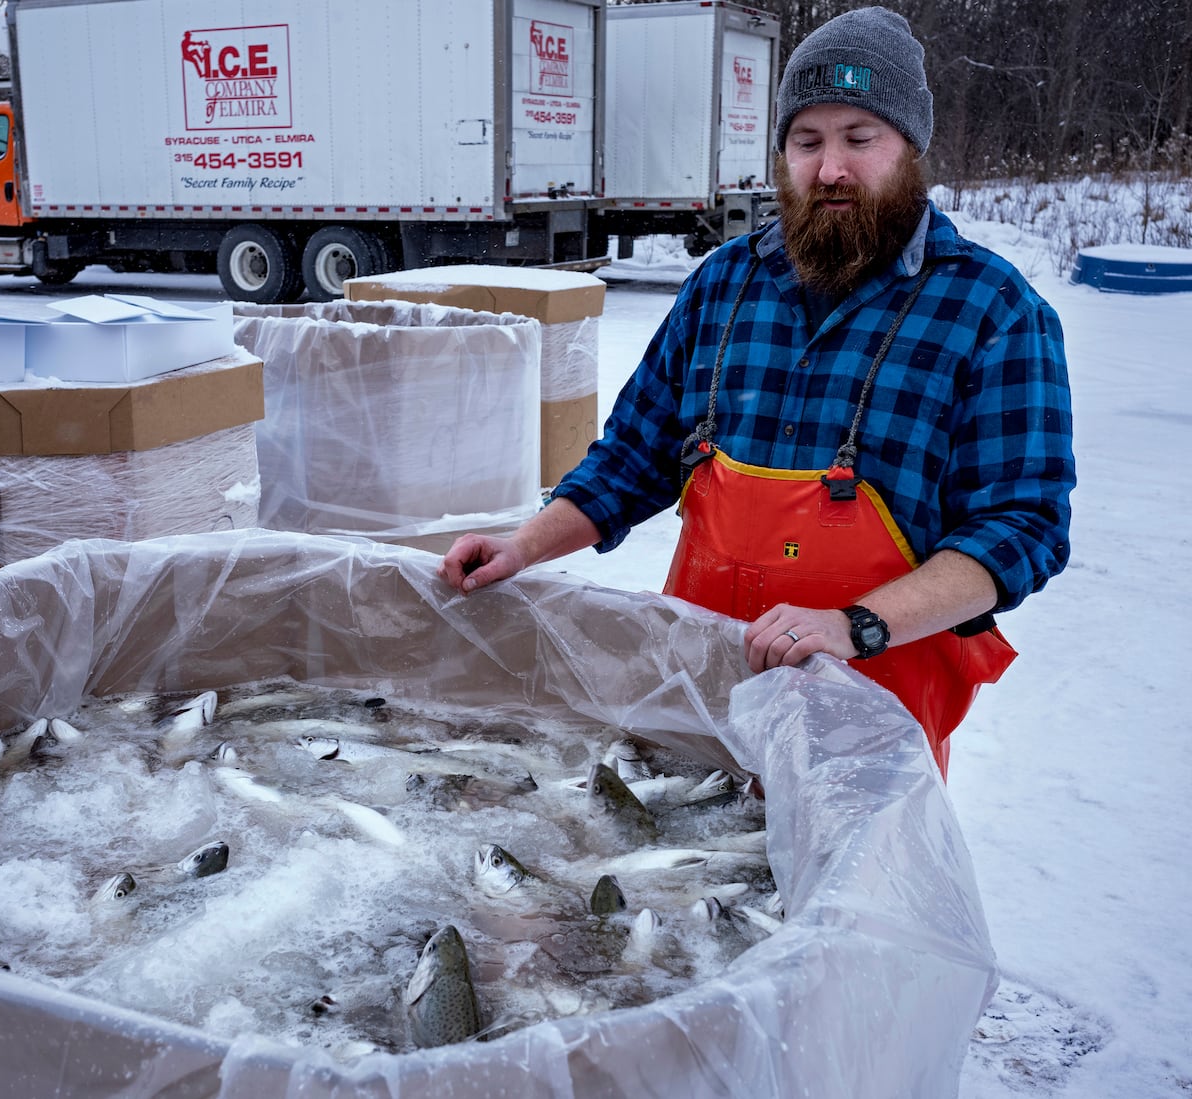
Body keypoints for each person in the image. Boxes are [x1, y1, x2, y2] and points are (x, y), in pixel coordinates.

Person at [438, 6, 1075, 777]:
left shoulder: (992, 312)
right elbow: (631, 460)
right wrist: (523, 544)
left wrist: (856, 625)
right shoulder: (723, 285)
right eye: (807, 141)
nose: (830, 169)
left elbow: (1019, 528)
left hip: (867, 732)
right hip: (696, 707)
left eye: (859, 138)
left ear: (909, 146)